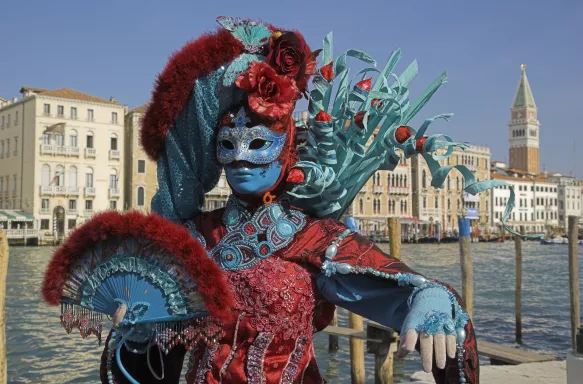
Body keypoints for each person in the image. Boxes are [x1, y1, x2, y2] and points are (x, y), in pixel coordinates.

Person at [48, 16, 484, 383]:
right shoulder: (192, 237)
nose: (240, 158)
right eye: (227, 144)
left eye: (257, 144)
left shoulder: (313, 236)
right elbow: (154, 359)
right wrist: (140, 335)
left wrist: (431, 300)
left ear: (286, 149)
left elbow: (398, 291)